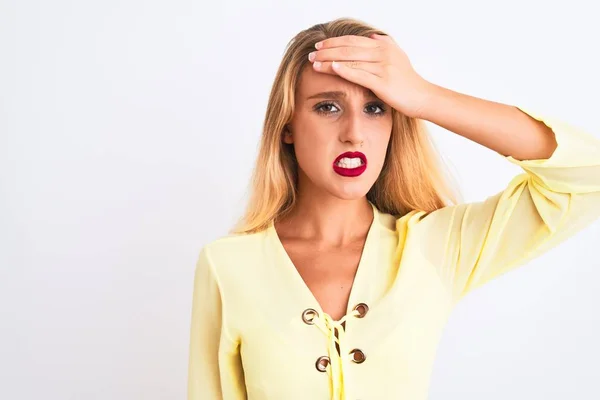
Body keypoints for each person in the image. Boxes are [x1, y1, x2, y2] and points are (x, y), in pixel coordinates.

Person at [187, 17, 600, 400]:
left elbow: (589, 175)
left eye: (375, 107)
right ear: (288, 126)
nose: (354, 134)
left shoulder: (435, 247)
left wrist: (423, 97)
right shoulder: (229, 265)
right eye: (327, 107)